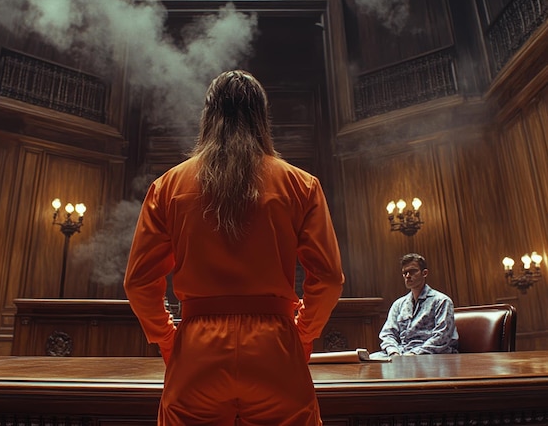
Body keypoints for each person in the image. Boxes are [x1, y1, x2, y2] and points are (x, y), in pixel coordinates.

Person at [124, 69, 344, 425]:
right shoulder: (301, 184)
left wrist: (168, 338)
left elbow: (138, 282)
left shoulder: (167, 186)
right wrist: (302, 333)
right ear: (262, 117)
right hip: (275, 348)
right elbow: (330, 277)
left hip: (197, 350)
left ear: (208, 116)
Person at [373, 253, 458, 357]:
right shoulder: (398, 304)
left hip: (431, 354)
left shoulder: (441, 301)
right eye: (405, 273)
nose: (408, 276)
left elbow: (442, 336)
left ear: (424, 273)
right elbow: (387, 333)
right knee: (368, 361)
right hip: (402, 353)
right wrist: (393, 352)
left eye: (413, 271)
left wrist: (414, 353)